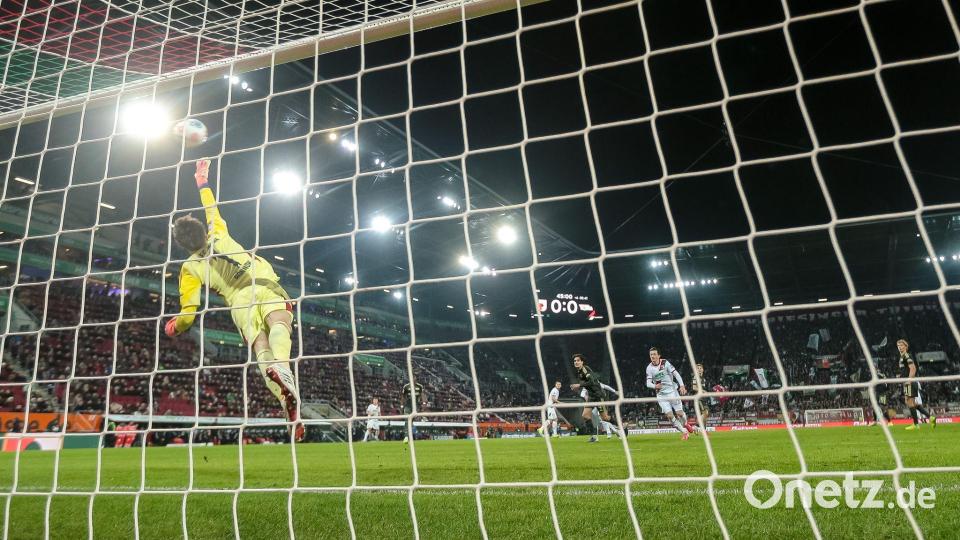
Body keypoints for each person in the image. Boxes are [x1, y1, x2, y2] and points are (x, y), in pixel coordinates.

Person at [165, 159, 303, 441]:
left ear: (182, 244)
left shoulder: (189, 269)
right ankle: (284, 369)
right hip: (262, 283)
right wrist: (202, 180)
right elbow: (210, 205)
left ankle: (288, 404)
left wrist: (173, 328)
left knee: (261, 347)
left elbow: (188, 316)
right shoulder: (217, 231)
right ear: (202, 231)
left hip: (239, 303)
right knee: (280, 323)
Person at [646, 347, 695, 440]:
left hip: (673, 392)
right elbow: (648, 383)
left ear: (659, 355)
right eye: (651, 354)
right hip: (661, 395)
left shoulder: (665, 363)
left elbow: (676, 374)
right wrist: (655, 386)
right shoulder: (649, 368)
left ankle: (685, 423)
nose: (652, 356)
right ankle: (684, 432)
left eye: (654, 354)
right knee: (669, 416)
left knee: (680, 414)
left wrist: (682, 385)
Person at [569, 354, 608, 443]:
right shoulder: (579, 372)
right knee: (585, 416)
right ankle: (593, 437)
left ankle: (622, 427)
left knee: (605, 418)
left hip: (598, 395)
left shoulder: (585, 369)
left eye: (578, 360)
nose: (576, 362)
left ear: (582, 362)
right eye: (575, 361)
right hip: (591, 396)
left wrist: (579, 385)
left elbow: (592, 381)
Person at [898, 339, 936, 431]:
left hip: (910, 382)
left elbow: (913, 368)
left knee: (910, 402)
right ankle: (930, 417)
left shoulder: (906, 355)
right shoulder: (902, 357)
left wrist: (909, 380)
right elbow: (907, 369)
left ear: (906, 346)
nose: (899, 347)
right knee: (911, 403)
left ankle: (916, 424)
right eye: (898, 345)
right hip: (907, 381)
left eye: (901, 345)